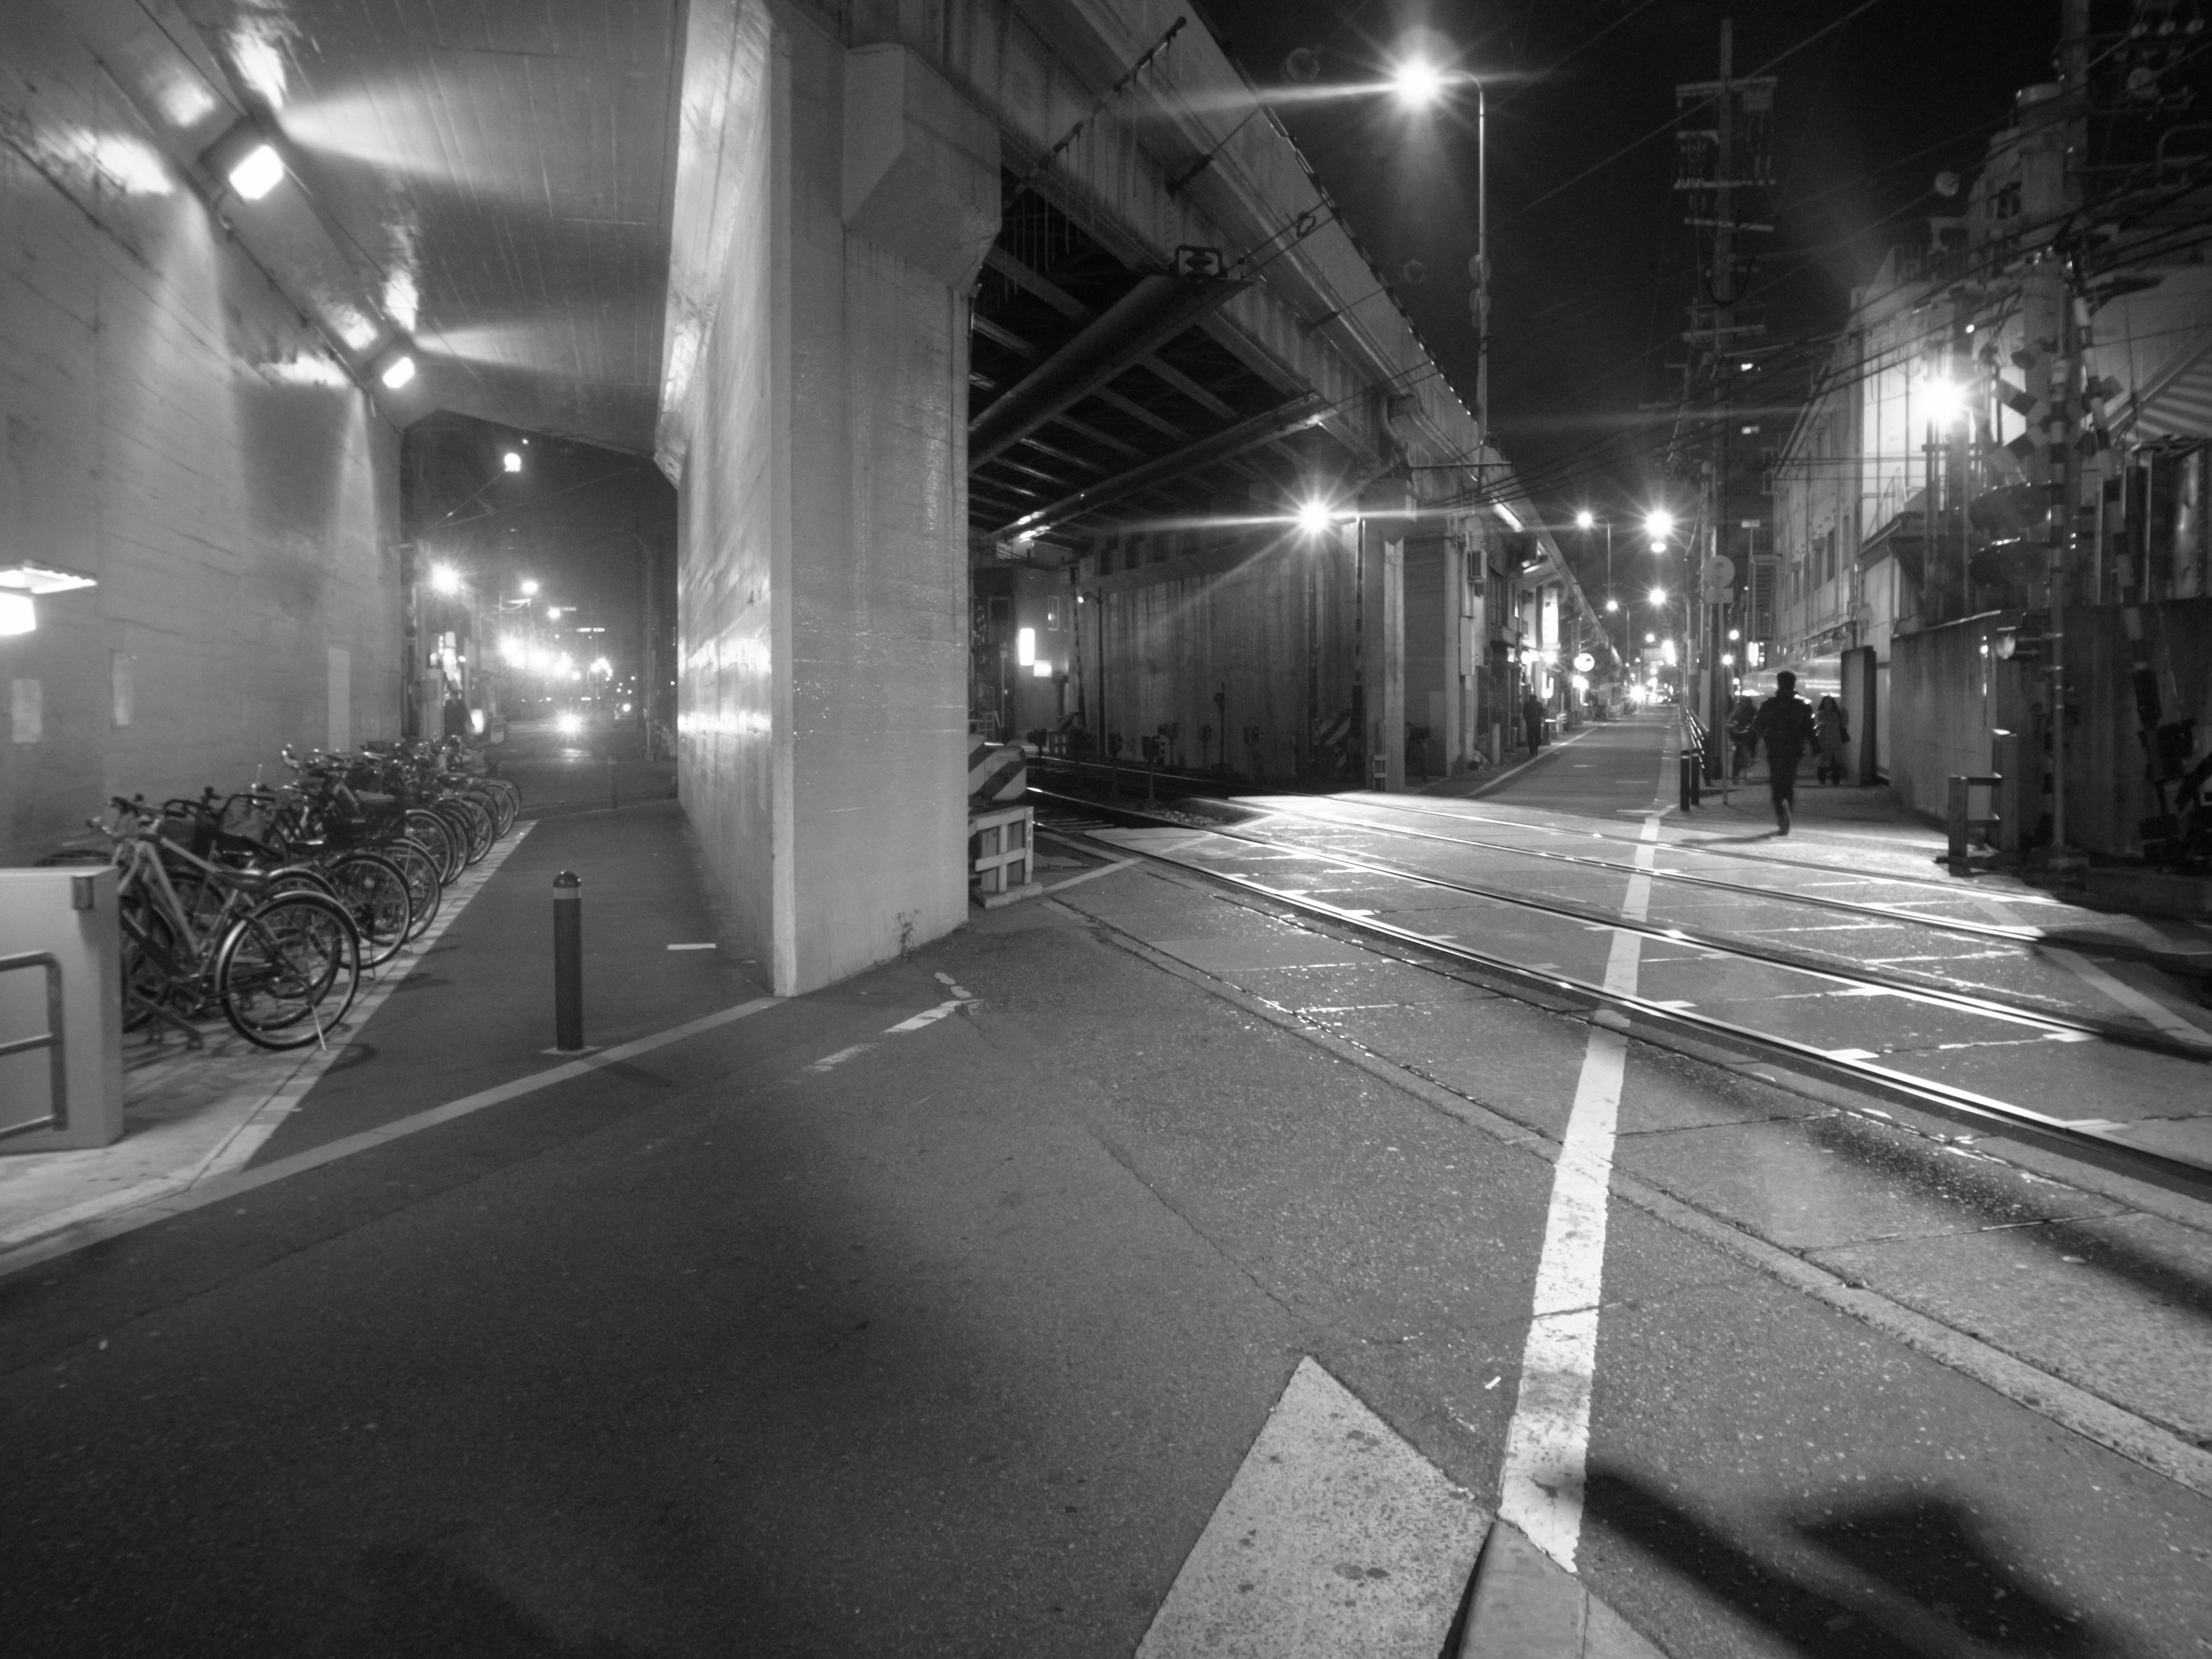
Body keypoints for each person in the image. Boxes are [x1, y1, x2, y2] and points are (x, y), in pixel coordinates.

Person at [1749, 669, 1818, 834]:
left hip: (1775, 748)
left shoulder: (1769, 704)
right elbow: (1811, 729)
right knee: (1789, 780)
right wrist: (1816, 747)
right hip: (1795, 749)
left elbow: (1757, 727)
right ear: (1794, 684)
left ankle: (1781, 813)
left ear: (1778, 684)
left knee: (1776, 781)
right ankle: (1787, 808)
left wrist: (1751, 747)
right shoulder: (1803, 705)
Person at [1815, 694, 1851, 785]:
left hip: (1835, 740)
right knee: (1824, 761)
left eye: (1830, 703)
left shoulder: (1837, 714)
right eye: (1827, 703)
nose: (1829, 705)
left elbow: (1844, 723)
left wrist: (1844, 713)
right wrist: (1823, 724)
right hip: (1824, 741)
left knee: (1835, 762)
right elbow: (1818, 724)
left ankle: (1835, 780)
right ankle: (1822, 779)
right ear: (1824, 704)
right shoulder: (1820, 714)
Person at [1521, 688, 1547, 753]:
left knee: (1530, 736)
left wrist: (1527, 720)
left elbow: (1524, 713)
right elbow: (1542, 713)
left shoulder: (1527, 704)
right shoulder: (1539, 704)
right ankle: (1536, 747)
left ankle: (1531, 749)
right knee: (1537, 736)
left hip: (1529, 723)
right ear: (1536, 698)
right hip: (1537, 723)